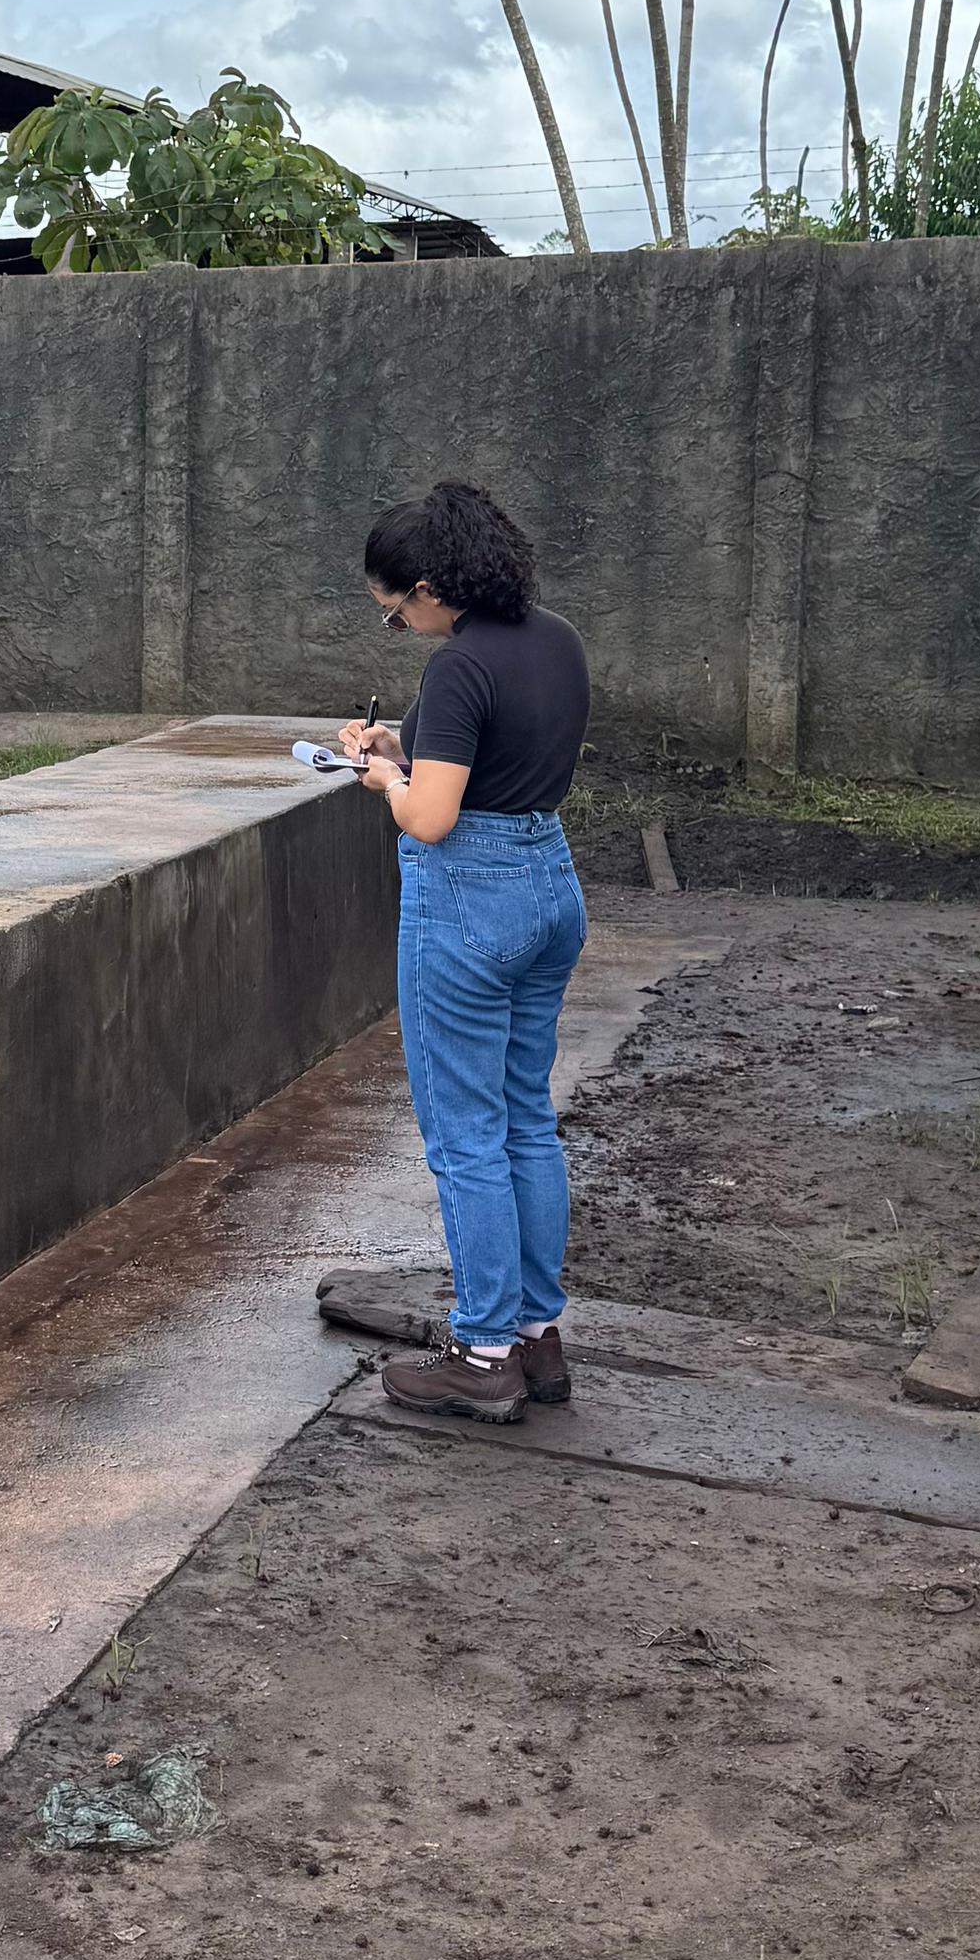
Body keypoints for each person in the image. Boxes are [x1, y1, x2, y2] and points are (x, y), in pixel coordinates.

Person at [338, 478, 591, 1426]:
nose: (402, 629)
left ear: (431, 587)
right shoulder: (556, 638)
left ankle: (482, 1352)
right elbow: (504, 757)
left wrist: (382, 779)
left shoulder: (458, 667)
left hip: (470, 901)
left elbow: (433, 817)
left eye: (396, 613)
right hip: (548, 882)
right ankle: (535, 1335)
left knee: (464, 1133)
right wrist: (403, 745)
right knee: (525, 1117)